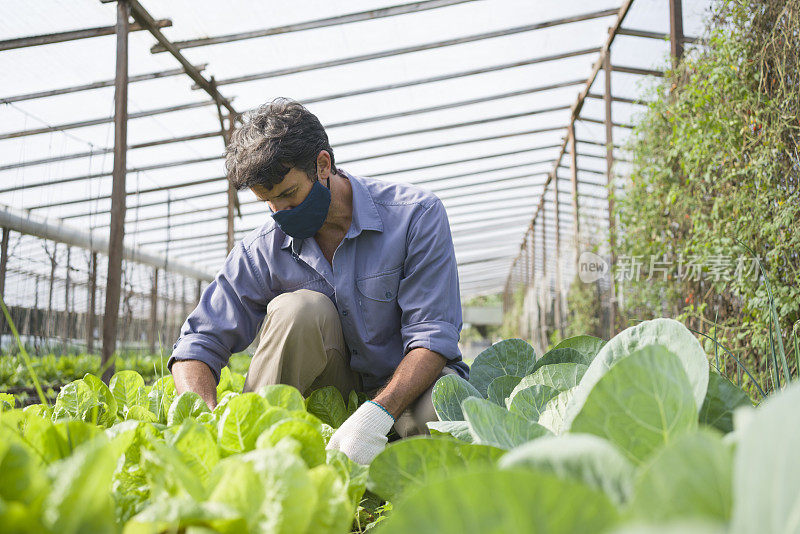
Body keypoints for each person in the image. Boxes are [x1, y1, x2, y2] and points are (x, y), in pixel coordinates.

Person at [169, 97, 468, 464]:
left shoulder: (415, 217)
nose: (281, 213)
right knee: (300, 309)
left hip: (409, 390)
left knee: (443, 422)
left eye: (289, 195)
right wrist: (211, 420)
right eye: (268, 203)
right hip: (327, 401)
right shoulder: (263, 249)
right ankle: (257, 464)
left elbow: (433, 336)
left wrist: (376, 414)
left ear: (323, 165)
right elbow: (197, 343)